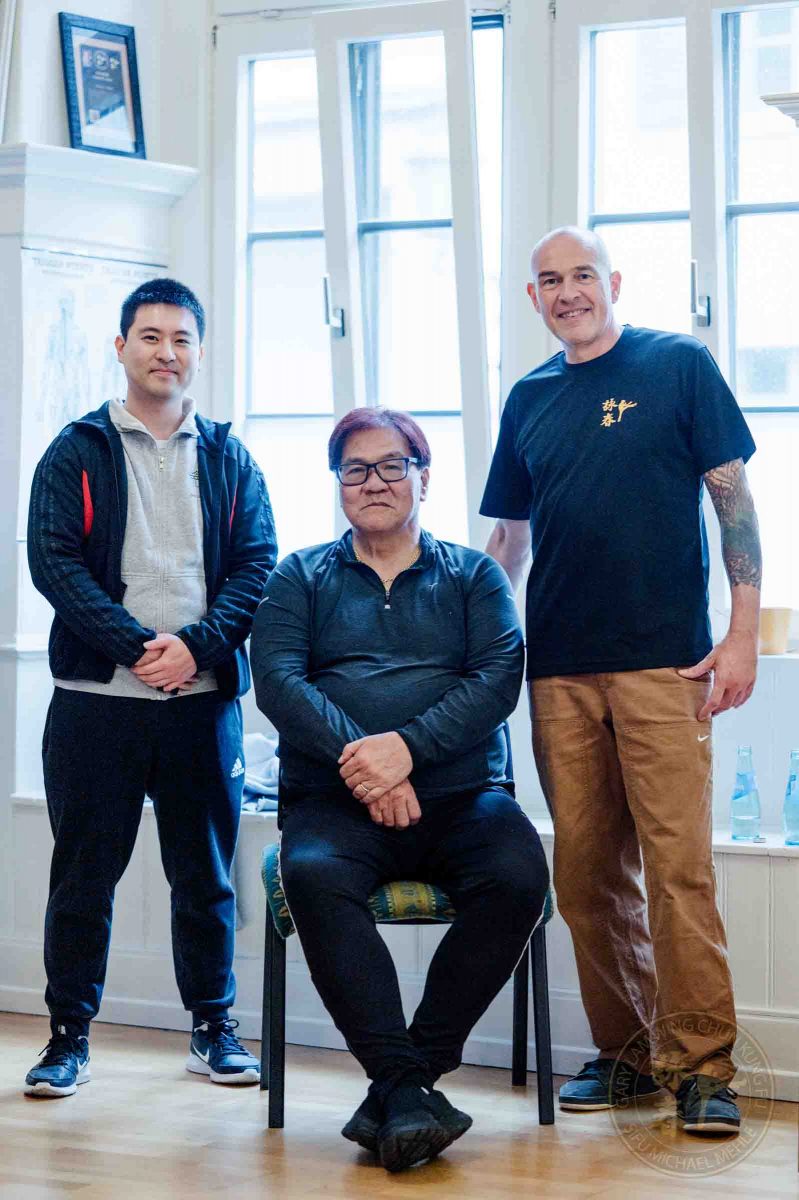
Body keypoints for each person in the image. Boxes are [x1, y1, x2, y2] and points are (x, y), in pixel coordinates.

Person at [482, 227, 760, 1136]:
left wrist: (741, 634)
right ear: (533, 297)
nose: (567, 292)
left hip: (664, 664)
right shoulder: (527, 397)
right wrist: (474, 637)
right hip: (558, 671)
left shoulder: (676, 365)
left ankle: (702, 1068)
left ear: (613, 282)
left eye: (582, 275)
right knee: (585, 875)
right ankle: (628, 1054)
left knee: (677, 871)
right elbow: (508, 542)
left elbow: (732, 501)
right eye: (549, 280)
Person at [251, 408, 548, 1173]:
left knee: (518, 874)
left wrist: (406, 751)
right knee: (310, 873)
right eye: (355, 469)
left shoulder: (474, 574)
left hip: (462, 797)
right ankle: (404, 1086)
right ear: (338, 483)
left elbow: (496, 681)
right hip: (333, 802)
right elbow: (278, 683)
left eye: (391, 465)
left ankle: (402, 1081)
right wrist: (365, 765)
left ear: (423, 477)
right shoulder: (298, 577)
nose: (374, 482)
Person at [25, 278, 277, 1098]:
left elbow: (257, 567)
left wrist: (194, 648)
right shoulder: (77, 449)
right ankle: (67, 1037)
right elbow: (54, 564)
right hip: (96, 704)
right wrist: (139, 650)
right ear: (122, 346)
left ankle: (213, 1029)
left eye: (181, 339)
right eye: (150, 336)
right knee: (82, 879)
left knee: (204, 879)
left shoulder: (231, 457)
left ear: (198, 351)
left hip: (202, 706)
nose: (166, 352)